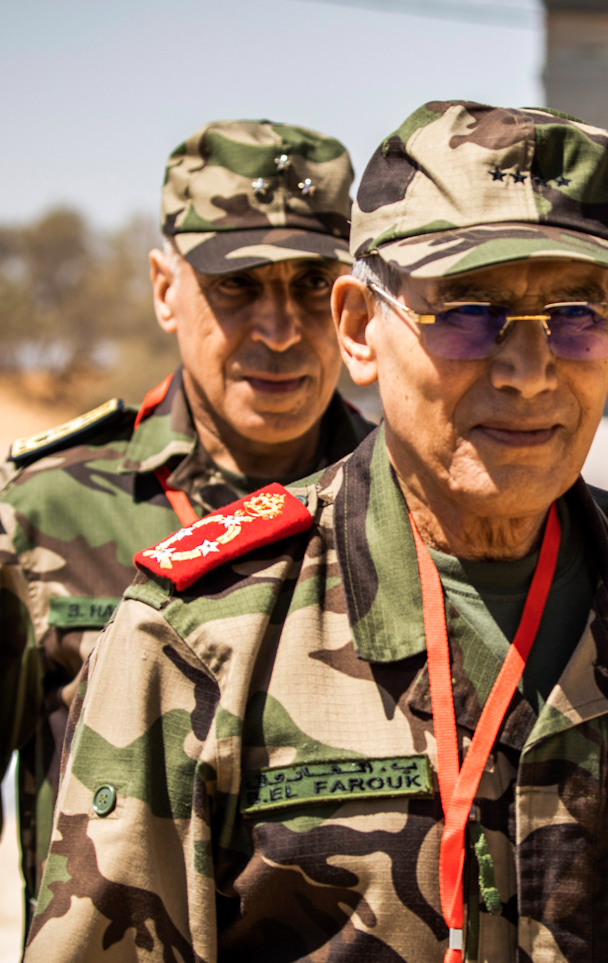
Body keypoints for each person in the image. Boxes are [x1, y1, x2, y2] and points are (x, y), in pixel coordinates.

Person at [26, 101, 608, 963]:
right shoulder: (196, 636)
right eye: (465, 311)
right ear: (358, 329)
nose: (529, 374)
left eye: (578, 315)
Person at [0, 119, 373, 924]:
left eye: (312, 284)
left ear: (352, 306)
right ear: (166, 289)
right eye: (237, 286)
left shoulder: (406, 510)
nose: (278, 331)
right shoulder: (43, 511)